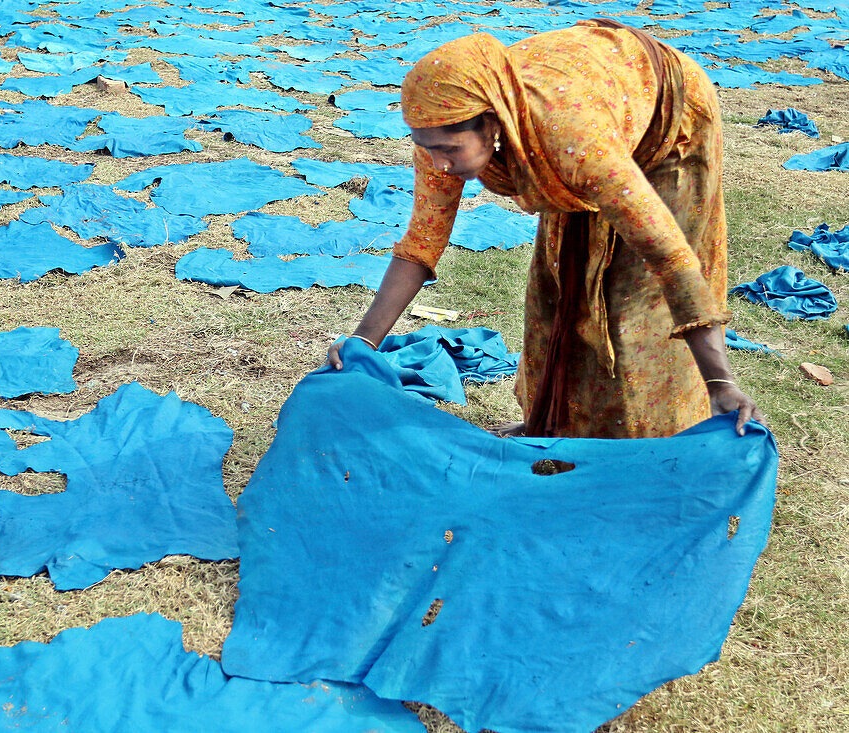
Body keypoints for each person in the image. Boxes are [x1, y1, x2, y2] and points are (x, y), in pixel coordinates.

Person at [327, 19, 766, 439]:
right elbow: (422, 244)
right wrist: (364, 341)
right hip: (581, 114)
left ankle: (643, 442)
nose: (440, 164)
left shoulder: (569, 138)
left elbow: (668, 256)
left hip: (668, 120)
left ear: (493, 124)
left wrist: (720, 381)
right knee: (554, 291)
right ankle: (552, 426)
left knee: (634, 307)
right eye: (429, 149)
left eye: (449, 150)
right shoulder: (443, 130)